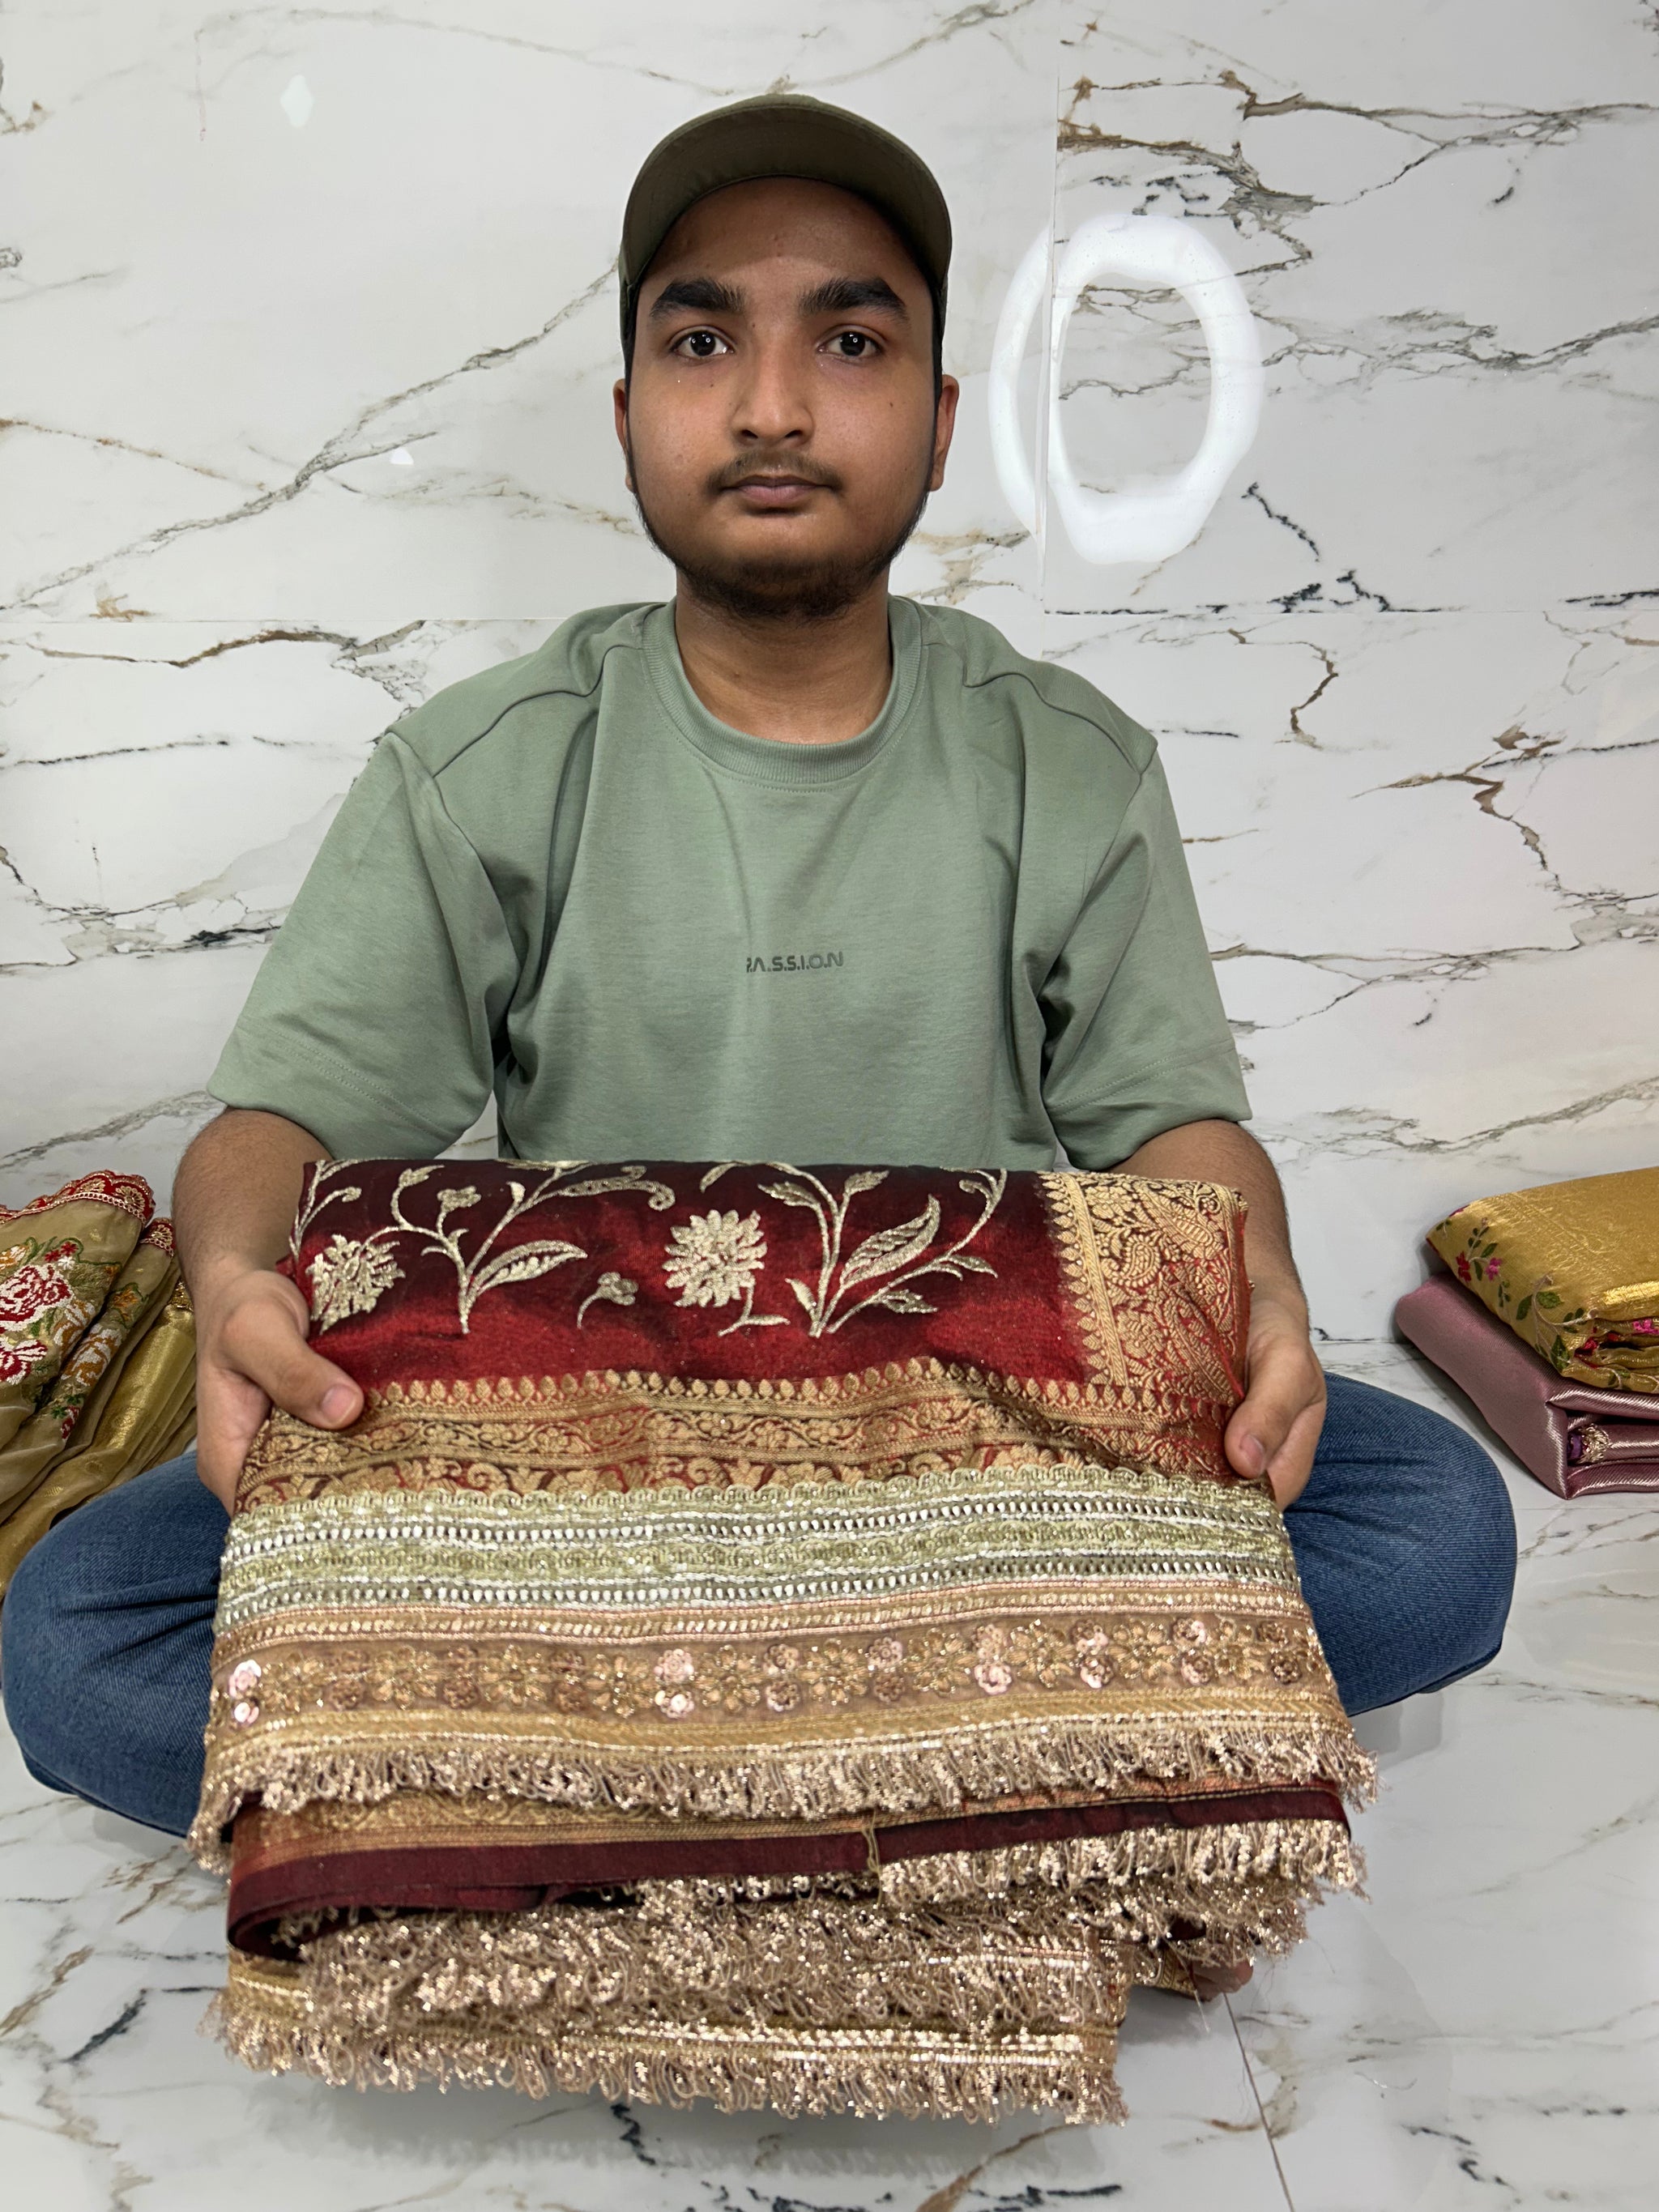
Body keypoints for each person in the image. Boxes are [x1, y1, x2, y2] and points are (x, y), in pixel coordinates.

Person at [2, 100, 1515, 1943]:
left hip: (976, 1466)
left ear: (940, 422)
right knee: (78, 1640)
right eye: (704, 339)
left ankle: (614, 1807)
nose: (775, 405)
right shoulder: (489, 764)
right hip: (573, 1463)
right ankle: (927, 1797)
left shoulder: (1063, 761)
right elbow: (282, 1126)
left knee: (1433, 1536)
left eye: (851, 342)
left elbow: (1170, 1130)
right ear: (629, 410)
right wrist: (244, 1281)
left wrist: (1255, 1285)